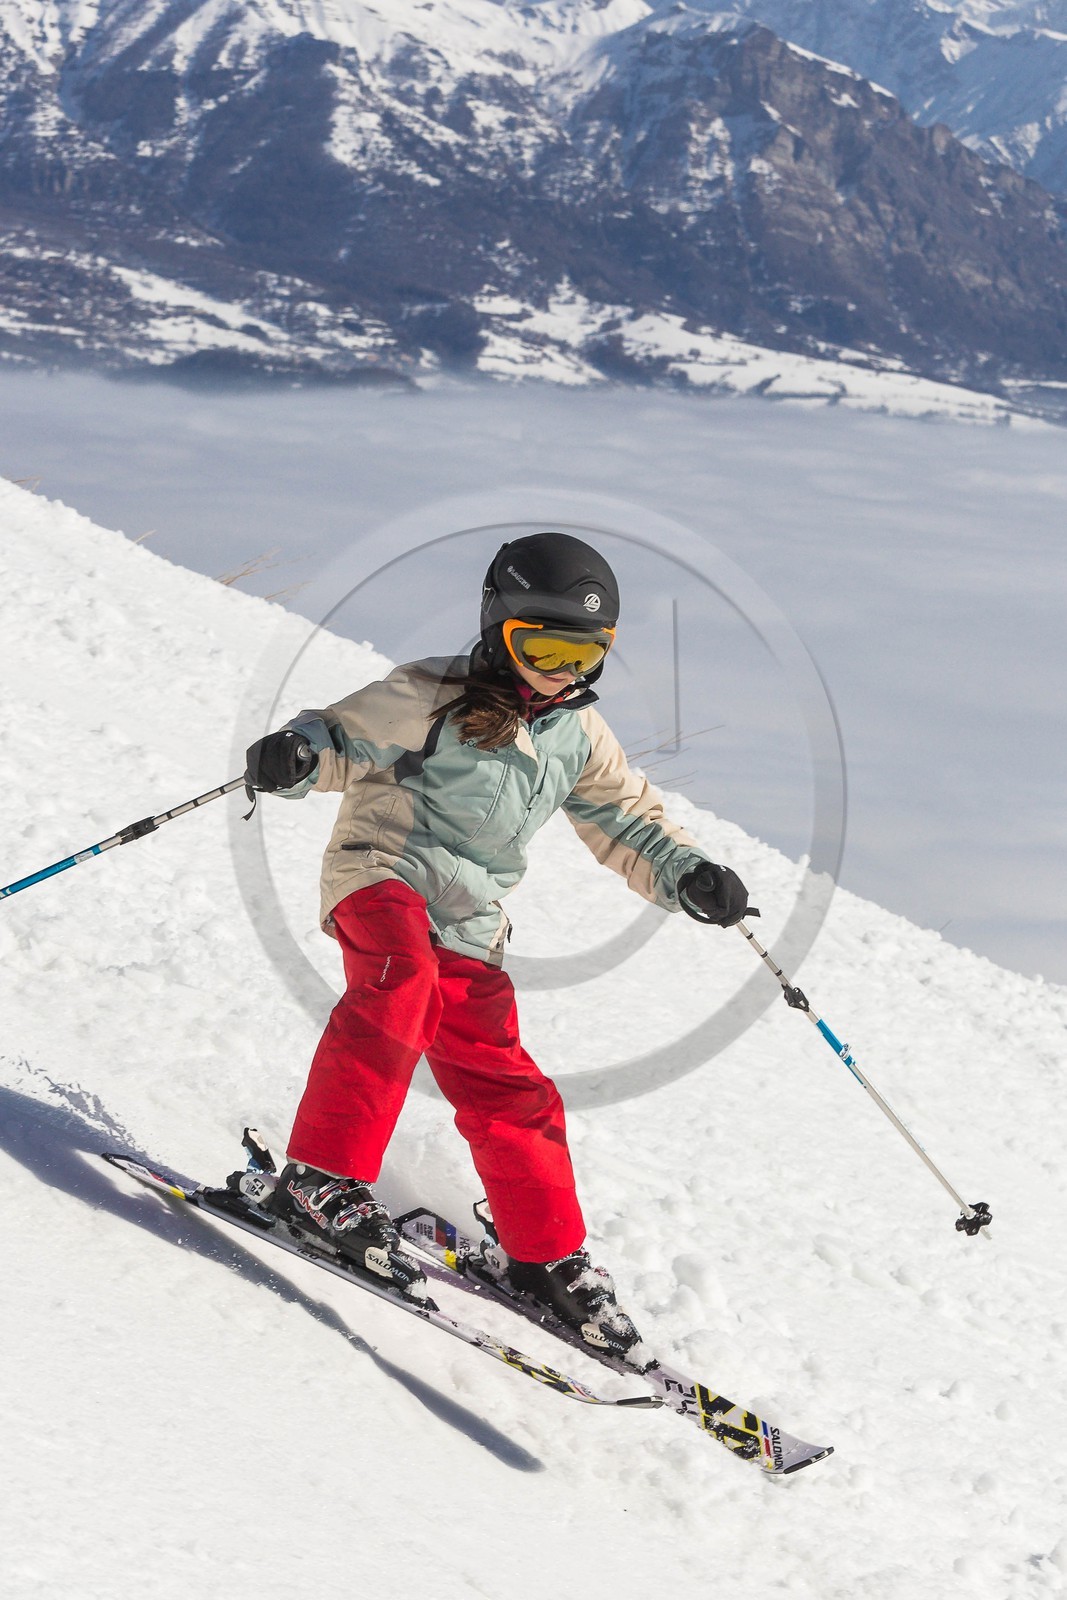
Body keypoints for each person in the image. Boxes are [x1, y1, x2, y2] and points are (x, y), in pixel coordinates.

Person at [244, 531, 748, 1364]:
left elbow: (628, 820)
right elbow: (340, 738)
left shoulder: (578, 734)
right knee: (399, 984)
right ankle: (320, 1180)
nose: (563, 671)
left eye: (583, 654)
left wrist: (687, 875)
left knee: (511, 1085)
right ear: (498, 627)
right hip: (381, 873)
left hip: (471, 923)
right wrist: (297, 756)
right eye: (541, 647)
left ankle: (543, 1256)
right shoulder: (428, 691)